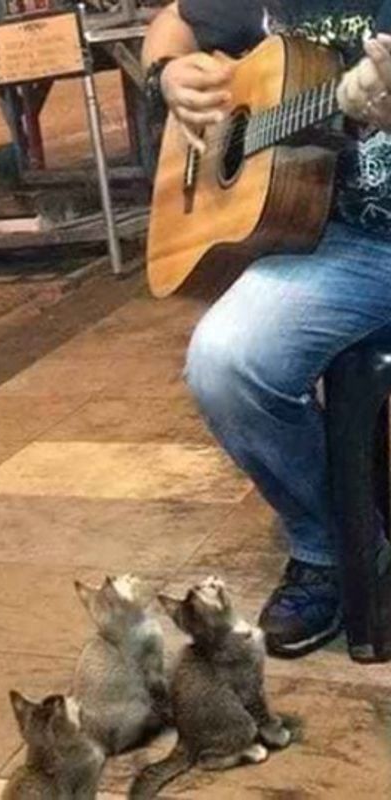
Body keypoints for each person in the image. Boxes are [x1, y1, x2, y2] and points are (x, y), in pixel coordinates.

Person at [142, 1, 391, 657]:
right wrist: (168, 77)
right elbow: (174, 21)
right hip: (331, 239)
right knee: (225, 360)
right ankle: (331, 545)